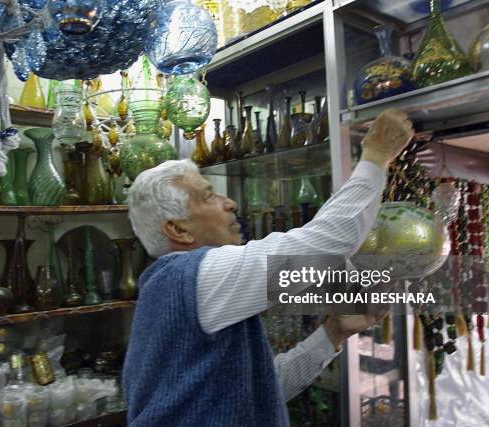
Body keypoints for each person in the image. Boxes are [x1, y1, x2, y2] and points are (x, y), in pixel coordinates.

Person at [122, 109, 414, 426]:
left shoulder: (176, 287)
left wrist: (332, 334)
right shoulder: (192, 276)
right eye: (209, 197)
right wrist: (375, 156)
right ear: (178, 231)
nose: (230, 203)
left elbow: (257, 390)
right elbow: (329, 243)